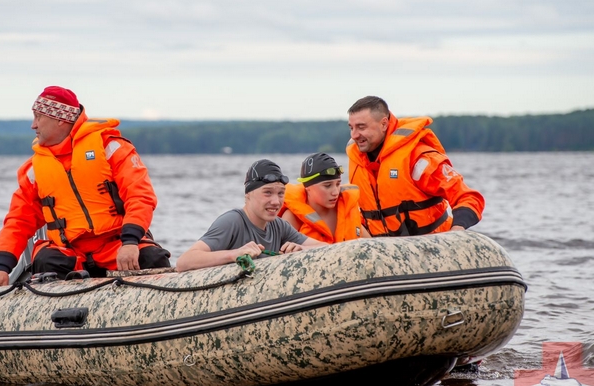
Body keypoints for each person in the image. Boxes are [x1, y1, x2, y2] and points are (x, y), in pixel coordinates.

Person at [0, 86, 170, 288]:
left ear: (60, 119)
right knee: (46, 261)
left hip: (116, 245)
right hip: (69, 252)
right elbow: (18, 221)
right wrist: (2, 269)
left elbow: (140, 196)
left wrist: (131, 242)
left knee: (151, 258)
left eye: (38, 117)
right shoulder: (34, 171)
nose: (33, 125)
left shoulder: (110, 148)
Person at [346, 95, 485, 237]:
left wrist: (457, 231)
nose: (354, 135)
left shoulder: (418, 157)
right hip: (384, 252)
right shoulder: (357, 160)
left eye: (361, 127)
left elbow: (468, 197)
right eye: (351, 128)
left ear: (383, 124)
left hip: (430, 248)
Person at [176, 159, 326, 272]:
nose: (276, 201)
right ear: (248, 194)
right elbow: (184, 262)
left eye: (281, 193)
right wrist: (234, 254)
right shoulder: (232, 221)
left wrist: (301, 249)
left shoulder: (279, 226)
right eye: (267, 192)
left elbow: (327, 248)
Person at [279, 152, 369, 243]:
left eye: (338, 184)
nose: (335, 192)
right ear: (308, 188)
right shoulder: (293, 218)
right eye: (327, 186)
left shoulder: (347, 210)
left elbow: (373, 245)